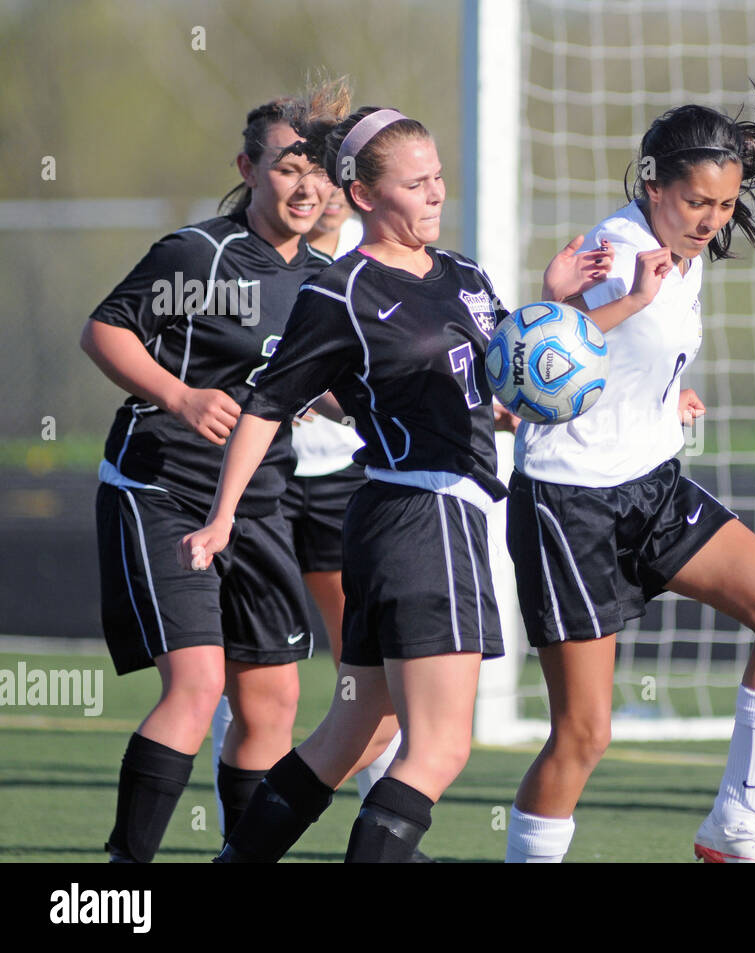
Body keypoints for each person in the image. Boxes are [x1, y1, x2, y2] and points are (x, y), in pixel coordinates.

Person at [180, 100, 611, 862]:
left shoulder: (465, 275)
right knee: (439, 749)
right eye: (416, 184)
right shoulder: (341, 292)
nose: (436, 193)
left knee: (355, 731)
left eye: (438, 177)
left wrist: (561, 300)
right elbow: (266, 405)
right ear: (365, 197)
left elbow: (510, 384)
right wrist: (222, 517)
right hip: (421, 515)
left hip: (409, 521)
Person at [504, 69, 755, 864]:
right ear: (653, 184)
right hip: (570, 506)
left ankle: (734, 824)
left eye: (724, 206)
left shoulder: (689, 250)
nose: (712, 221)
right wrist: (585, 305)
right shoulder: (614, 255)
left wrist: (665, 392)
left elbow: (630, 362)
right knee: (584, 734)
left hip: (651, 485)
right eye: (696, 204)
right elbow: (526, 372)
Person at [81, 92, 342, 862]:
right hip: (161, 488)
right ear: (248, 168)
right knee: (195, 688)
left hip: (260, 505)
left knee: (273, 704)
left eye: (319, 173)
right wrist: (181, 393)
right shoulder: (199, 255)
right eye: (287, 167)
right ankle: (121, 877)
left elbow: (328, 383)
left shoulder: (329, 281)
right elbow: (103, 329)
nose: (305, 188)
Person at [207, 182, 392, 830]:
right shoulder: (237, 261)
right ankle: (244, 826)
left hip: (343, 477)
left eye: (339, 179)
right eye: (305, 171)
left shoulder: (370, 264)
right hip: (266, 480)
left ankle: (377, 823)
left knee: (365, 662)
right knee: (261, 665)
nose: (323, 193)